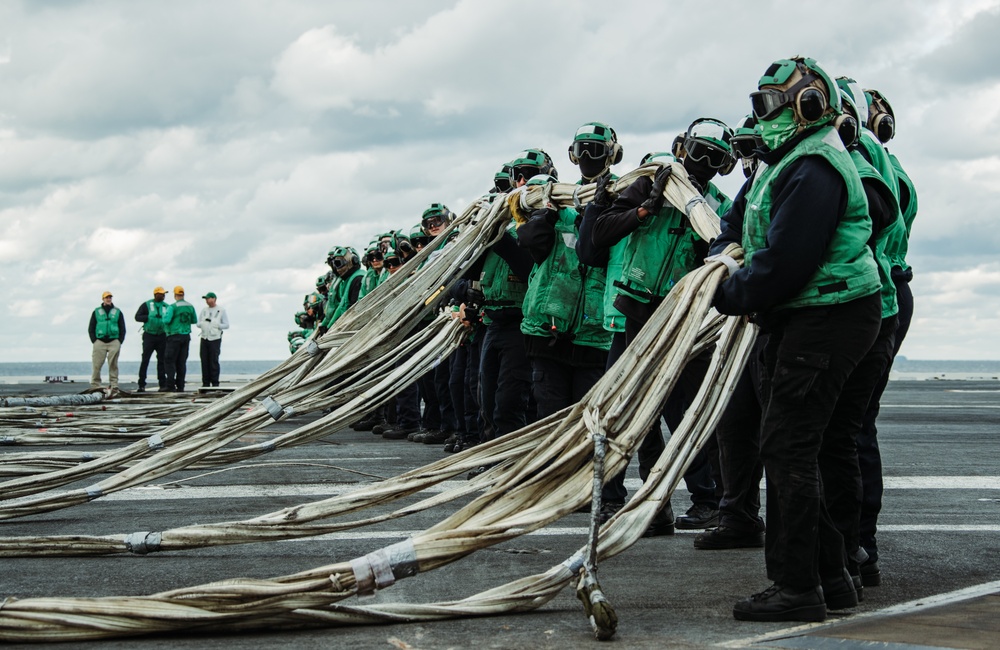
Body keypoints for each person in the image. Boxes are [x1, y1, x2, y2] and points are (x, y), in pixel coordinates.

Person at [713, 56, 881, 622]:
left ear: (808, 103)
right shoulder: (787, 162)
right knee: (804, 447)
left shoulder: (814, 167)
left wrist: (725, 294)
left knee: (787, 448)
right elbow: (748, 232)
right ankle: (832, 578)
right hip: (812, 317)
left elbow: (788, 264)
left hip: (825, 317)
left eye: (768, 106)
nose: (761, 118)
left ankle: (797, 587)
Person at [589, 118, 737, 536]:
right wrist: (642, 211)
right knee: (624, 410)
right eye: (699, 152)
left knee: (689, 414)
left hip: (685, 320)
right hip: (636, 313)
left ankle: (707, 500)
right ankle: (634, 502)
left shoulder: (717, 209)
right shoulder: (649, 185)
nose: (703, 163)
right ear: (682, 148)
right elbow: (597, 235)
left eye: (715, 157)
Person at [134, 286, 170, 392]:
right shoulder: (146, 305)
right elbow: (137, 317)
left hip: (162, 335)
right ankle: (141, 384)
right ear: (156, 295)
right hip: (149, 335)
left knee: (162, 361)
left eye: (164, 294)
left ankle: (162, 384)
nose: (163, 296)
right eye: (161, 294)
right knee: (145, 360)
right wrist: (148, 318)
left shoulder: (167, 306)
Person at [88, 291, 126, 389]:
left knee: (113, 364)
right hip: (100, 341)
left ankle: (114, 384)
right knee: (97, 364)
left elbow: (122, 327)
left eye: (110, 297)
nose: (108, 299)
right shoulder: (96, 312)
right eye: (106, 297)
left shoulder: (117, 312)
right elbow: (91, 327)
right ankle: (95, 384)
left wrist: (119, 340)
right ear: (103, 299)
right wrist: (94, 340)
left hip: (114, 341)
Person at [163, 286, 198, 392]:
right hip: (186, 336)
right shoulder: (190, 306)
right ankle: (181, 385)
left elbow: (167, 320)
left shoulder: (172, 307)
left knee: (169, 361)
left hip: (174, 336)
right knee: (181, 362)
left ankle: (170, 385)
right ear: (183, 294)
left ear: (175, 295)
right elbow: (194, 320)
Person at [196, 291, 229, 388]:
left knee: (213, 360)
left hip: (215, 338)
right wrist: (203, 324)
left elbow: (226, 325)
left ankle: (215, 382)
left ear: (214, 299)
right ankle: (205, 382)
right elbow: (198, 323)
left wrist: (217, 325)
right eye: (206, 299)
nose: (207, 300)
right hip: (204, 337)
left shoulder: (221, 310)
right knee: (204, 360)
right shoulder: (204, 310)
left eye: (209, 298)